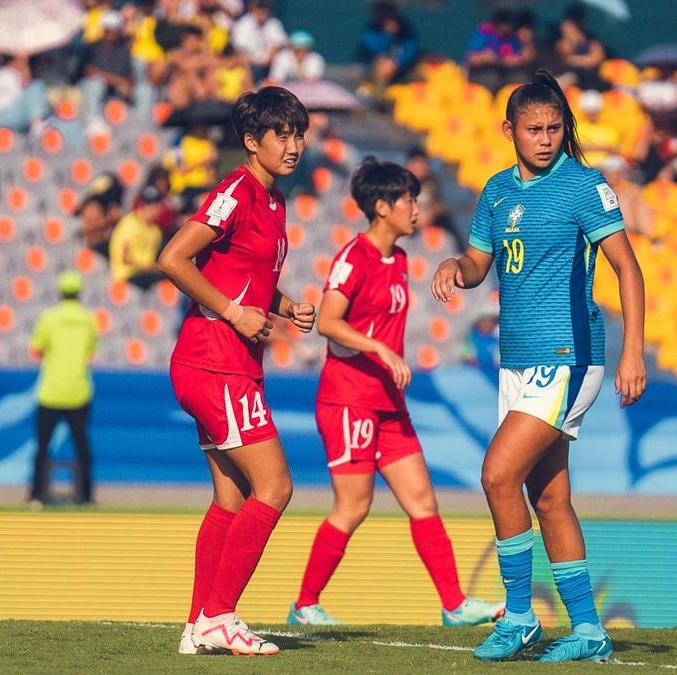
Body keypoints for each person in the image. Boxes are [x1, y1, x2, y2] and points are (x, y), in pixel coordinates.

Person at [430, 70, 646, 663]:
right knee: (549, 499)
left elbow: (628, 268)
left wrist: (633, 350)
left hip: (568, 357)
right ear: (509, 130)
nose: (546, 139)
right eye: (534, 129)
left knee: (498, 476)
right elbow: (478, 264)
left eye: (555, 128)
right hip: (516, 363)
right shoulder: (497, 192)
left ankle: (520, 617)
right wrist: (454, 265)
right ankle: (588, 631)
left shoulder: (584, 186)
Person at [288, 158, 503, 628]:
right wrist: (380, 352)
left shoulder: (400, 258)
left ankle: (454, 604)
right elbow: (328, 323)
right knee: (354, 505)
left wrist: (385, 359)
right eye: (409, 198)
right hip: (349, 398)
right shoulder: (354, 257)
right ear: (382, 207)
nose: (417, 206)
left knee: (423, 501)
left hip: (387, 401)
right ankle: (305, 604)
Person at [157, 87, 313, 657]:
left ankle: (199, 622)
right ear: (252, 142)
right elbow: (173, 257)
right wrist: (232, 312)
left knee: (231, 497)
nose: (294, 145)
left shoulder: (273, 202)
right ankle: (221, 615)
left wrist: (284, 306)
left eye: (299, 133)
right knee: (276, 486)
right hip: (215, 361)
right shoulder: (236, 191)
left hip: (226, 362)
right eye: (282, 135)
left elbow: (242, 278)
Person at [29, 271, 99, 507]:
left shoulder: (49, 318)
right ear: (79, 292)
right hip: (79, 389)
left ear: (61, 291)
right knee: (82, 446)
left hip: (51, 390)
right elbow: (90, 353)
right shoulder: (88, 318)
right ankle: (86, 496)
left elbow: (37, 350)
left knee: (42, 446)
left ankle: (37, 495)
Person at [109, 184, 166, 289]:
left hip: (145, 274)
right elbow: (125, 258)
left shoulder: (156, 231)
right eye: (148, 203)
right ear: (141, 205)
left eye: (155, 204)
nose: (152, 208)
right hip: (126, 275)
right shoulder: (129, 223)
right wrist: (149, 267)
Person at [465, 9, 528, 93]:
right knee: (491, 78)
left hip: (506, 73)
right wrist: (486, 58)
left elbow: (520, 58)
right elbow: (473, 59)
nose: (507, 28)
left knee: (522, 79)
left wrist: (510, 59)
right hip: (483, 73)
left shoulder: (512, 36)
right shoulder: (485, 32)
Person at [231, 0, 288, 82]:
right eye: (260, 7)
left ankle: (273, 84)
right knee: (241, 60)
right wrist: (256, 61)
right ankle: (249, 87)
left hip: (267, 63)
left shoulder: (273, 23)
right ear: (253, 8)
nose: (263, 11)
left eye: (265, 7)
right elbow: (239, 50)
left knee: (283, 57)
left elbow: (279, 44)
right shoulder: (243, 24)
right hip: (250, 62)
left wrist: (268, 58)